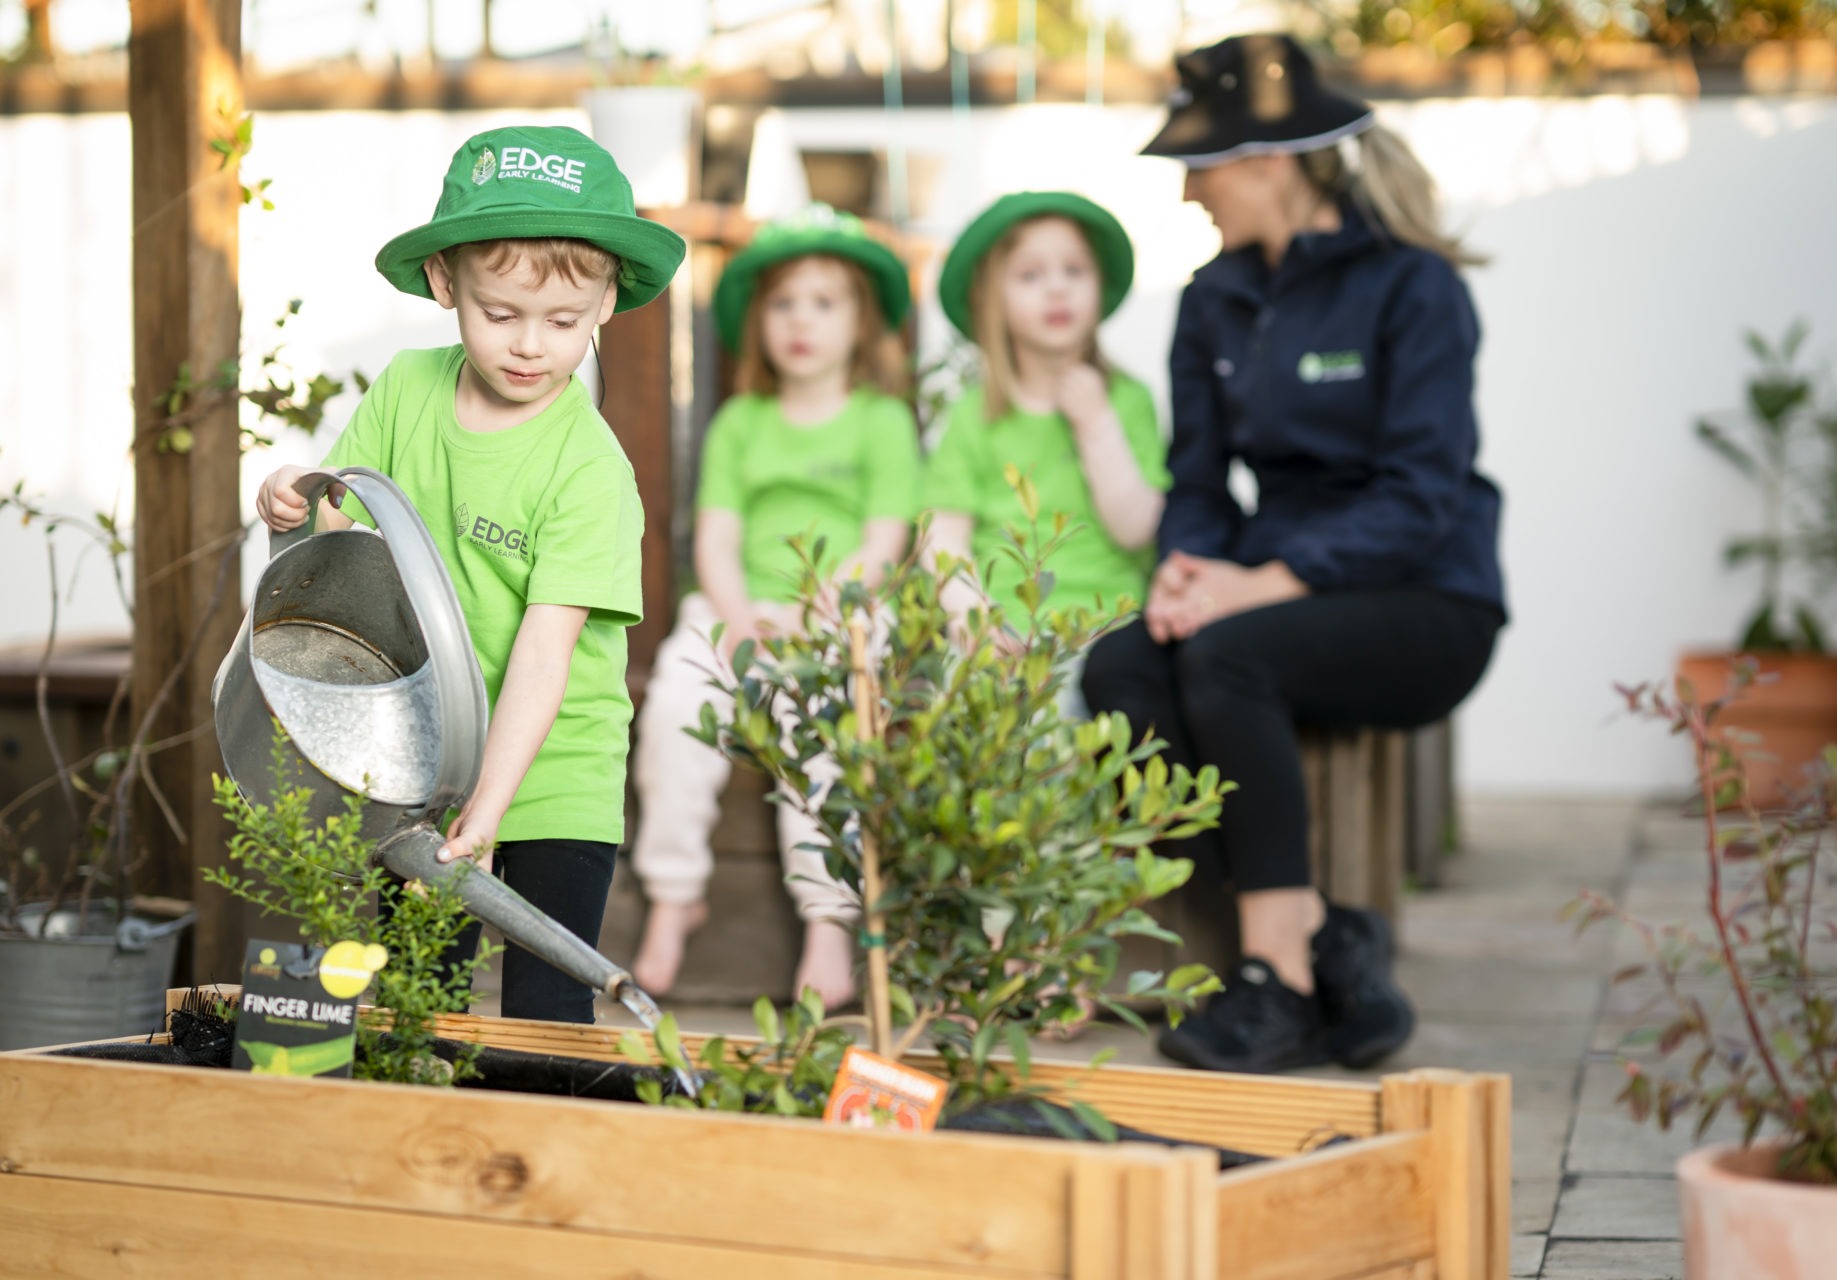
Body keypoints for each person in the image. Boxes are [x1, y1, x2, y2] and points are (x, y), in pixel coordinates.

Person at [1080, 33, 1507, 1074]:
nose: (1188, 192)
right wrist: (1187, 568)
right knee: (1119, 668)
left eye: (1201, 166)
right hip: (1271, 596)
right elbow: (1196, 482)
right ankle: (1322, 928)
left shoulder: (1414, 289)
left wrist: (1252, 586)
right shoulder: (1211, 299)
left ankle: (1276, 979)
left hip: (1427, 599)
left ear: (1270, 161)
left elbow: (1420, 497)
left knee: (1228, 655)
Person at [255, 124, 685, 1024]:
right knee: (422, 1002)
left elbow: (544, 653)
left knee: (545, 1019)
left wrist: (487, 810)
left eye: (562, 322)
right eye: (500, 314)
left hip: (556, 769)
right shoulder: (406, 389)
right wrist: (292, 501)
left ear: (606, 302)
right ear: (445, 282)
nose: (530, 345)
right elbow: (338, 549)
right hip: (420, 757)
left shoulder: (589, 468)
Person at [628, 205, 920, 1010]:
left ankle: (828, 916)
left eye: (824, 303)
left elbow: (884, 540)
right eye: (783, 303)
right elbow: (716, 537)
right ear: (758, 322)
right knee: (676, 709)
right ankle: (674, 892)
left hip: (840, 611)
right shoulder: (742, 422)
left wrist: (823, 608)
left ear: (861, 324)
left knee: (819, 723)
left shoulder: (881, 421)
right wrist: (738, 618)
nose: (801, 321)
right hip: (737, 605)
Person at [923, 191, 1170, 679]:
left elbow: (1137, 528)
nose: (1058, 289)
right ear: (991, 298)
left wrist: (1097, 425)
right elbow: (944, 534)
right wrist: (976, 616)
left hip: (1112, 635)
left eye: (1075, 270)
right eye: (1030, 275)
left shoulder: (1127, 401)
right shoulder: (974, 415)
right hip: (1007, 638)